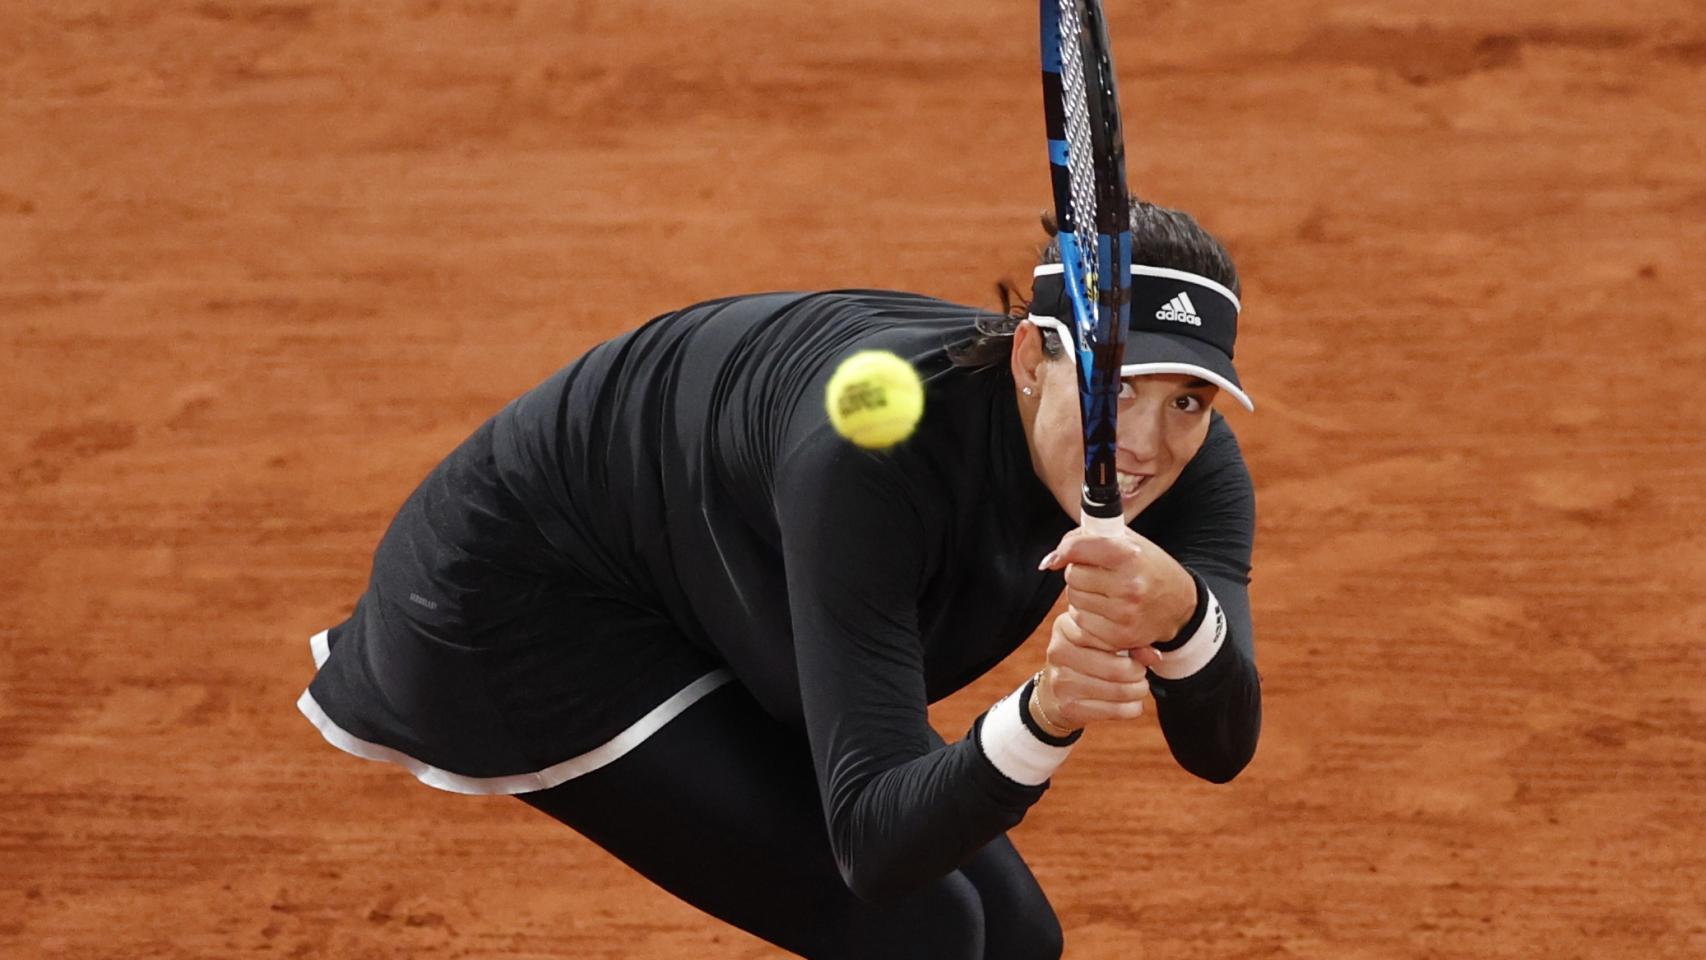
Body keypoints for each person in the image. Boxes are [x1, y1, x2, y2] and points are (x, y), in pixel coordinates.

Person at [296, 199, 1262, 959]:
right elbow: (876, 848)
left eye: (1187, 399)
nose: (1143, 443)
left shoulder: (1189, 467)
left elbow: (1221, 745)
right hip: (531, 598)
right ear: (1030, 358)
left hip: (723, 576)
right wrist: (1044, 715)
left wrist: (1185, 621)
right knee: (923, 931)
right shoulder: (872, 462)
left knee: (1015, 941)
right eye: (1113, 386)